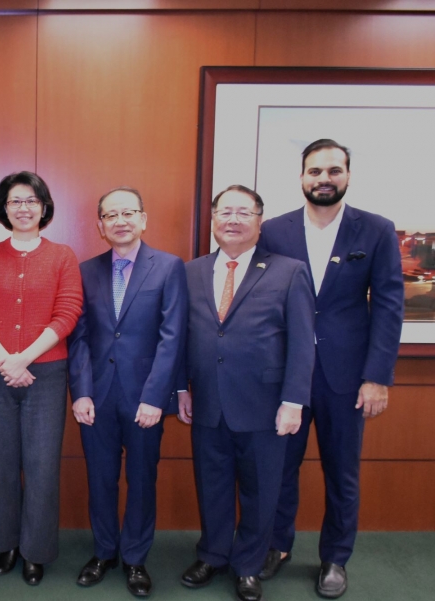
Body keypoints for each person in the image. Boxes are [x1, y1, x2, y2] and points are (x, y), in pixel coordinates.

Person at [259, 139, 404, 598]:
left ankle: (335, 558)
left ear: (348, 175)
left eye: (334, 170)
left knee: (342, 471)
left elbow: (389, 305)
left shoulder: (376, 230)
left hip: (346, 376)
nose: (324, 179)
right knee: (279, 467)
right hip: (285, 375)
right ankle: (276, 546)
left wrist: (377, 376)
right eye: (315, 171)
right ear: (302, 177)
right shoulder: (274, 231)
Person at [177, 185, 315, 601]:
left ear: (259, 221)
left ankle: (249, 566)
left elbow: (302, 343)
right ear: (213, 219)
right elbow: (180, 336)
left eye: (243, 212)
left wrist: (293, 402)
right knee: (212, 484)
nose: (233, 220)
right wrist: (181, 387)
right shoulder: (191, 271)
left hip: (265, 405)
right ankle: (213, 554)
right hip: (207, 401)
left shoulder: (289, 271)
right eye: (225, 212)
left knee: (261, 491)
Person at [0, 171, 83, 586]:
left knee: (42, 466)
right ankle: (6, 543)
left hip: (46, 374)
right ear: (4, 208)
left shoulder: (63, 256)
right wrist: (5, 360)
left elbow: (68, 312)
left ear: (44, 207)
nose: (23, 208)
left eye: (31, 200)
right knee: (0, 463)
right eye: (15, 201)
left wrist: (24, 359)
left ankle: (36, 550)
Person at [68, 187, 187, 597]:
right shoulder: (85, 271)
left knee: (141, 479)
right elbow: (79, 338)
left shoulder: (169, 267)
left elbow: (173, 337)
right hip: (97, 396)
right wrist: (81, 392)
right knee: (100, 479)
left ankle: (135, 557)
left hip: (144, 398)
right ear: (100, 225)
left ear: (143, 219)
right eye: (111, 215)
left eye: (128, 213)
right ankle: (104, 552)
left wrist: (155, 397)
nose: (120, 221)